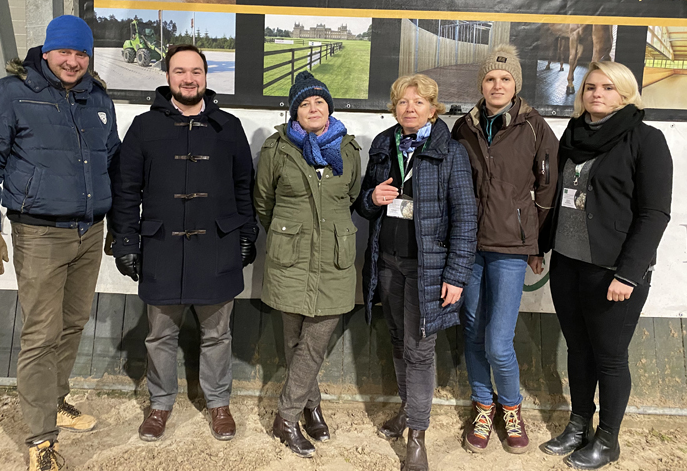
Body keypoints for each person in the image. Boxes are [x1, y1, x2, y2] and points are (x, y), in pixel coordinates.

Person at [0, 15, 120, 471]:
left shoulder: (98, 98)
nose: (73, 61)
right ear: (47, 52)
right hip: (39, 233)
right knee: (41, 334)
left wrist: (119, 224)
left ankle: (55, 400)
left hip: (90, 231)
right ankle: (40, 438)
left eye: (81, 54)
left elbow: (112, 163)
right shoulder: (10, 93)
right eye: (65, 52)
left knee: (72, 324)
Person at [109, 44, 257, 444]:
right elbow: (126, 190)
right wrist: (126, 241)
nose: (188, 79)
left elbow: (244, 186)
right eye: (180, 71)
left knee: (218, 335)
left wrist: (247, 233)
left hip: (218, 248)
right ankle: (160, 403)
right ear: (168, 77)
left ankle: (218, 402)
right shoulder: (144, 126)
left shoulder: (229, 126)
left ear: (206, 77)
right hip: (162, 249)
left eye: (195, 71)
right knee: (159, 336)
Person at [540, 61, 672, 469]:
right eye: (591, 87)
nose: (597, 94)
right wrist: (542, 247)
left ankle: (608, 440)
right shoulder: (574, 134)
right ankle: (579, 424)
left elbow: (654, 214)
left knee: (610, 357)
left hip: (613, 270)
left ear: (626, 93)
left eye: (608, 88)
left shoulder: (645, 139)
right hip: (568, 264)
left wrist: (628, 274)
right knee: (578, 349)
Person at [356, 73, 477, 470]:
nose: (410, 108)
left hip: (428, 269)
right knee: (397, 341)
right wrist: (372, 198)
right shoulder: (382, 144)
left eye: (418, 102)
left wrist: (456, 275)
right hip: (387, 262)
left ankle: (418, 437)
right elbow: (363, 205)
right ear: (394, 108)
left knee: (420, 350)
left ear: (433, 109)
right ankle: (408, 411)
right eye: (403, 102)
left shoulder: (451, 152)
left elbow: (466, 219)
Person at [451, 44, 559, 454]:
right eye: (491, 78)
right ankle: (484, 405)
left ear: (516, 84)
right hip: (469, 247)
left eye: (505, 78)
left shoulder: (534, 126)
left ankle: (511, 408)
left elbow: (547, 190)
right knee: (473, 331)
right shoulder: (464, 126)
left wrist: (537, 244)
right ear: (482, 84)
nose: (497, 85)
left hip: (512, 248)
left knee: (499, 341)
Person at [253, 71, 361, 458]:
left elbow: (351, 195)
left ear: (328, 108)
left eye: (319, 102)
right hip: (290, 259)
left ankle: (285, 417)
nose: (313, 108)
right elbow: (263, 202)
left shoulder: (347, 149)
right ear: (294, 112)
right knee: (293, 342)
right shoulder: (277, 148)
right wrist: (290, 231)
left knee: (313, 344)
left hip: (333, 259)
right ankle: (311, 406)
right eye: (304, 103)